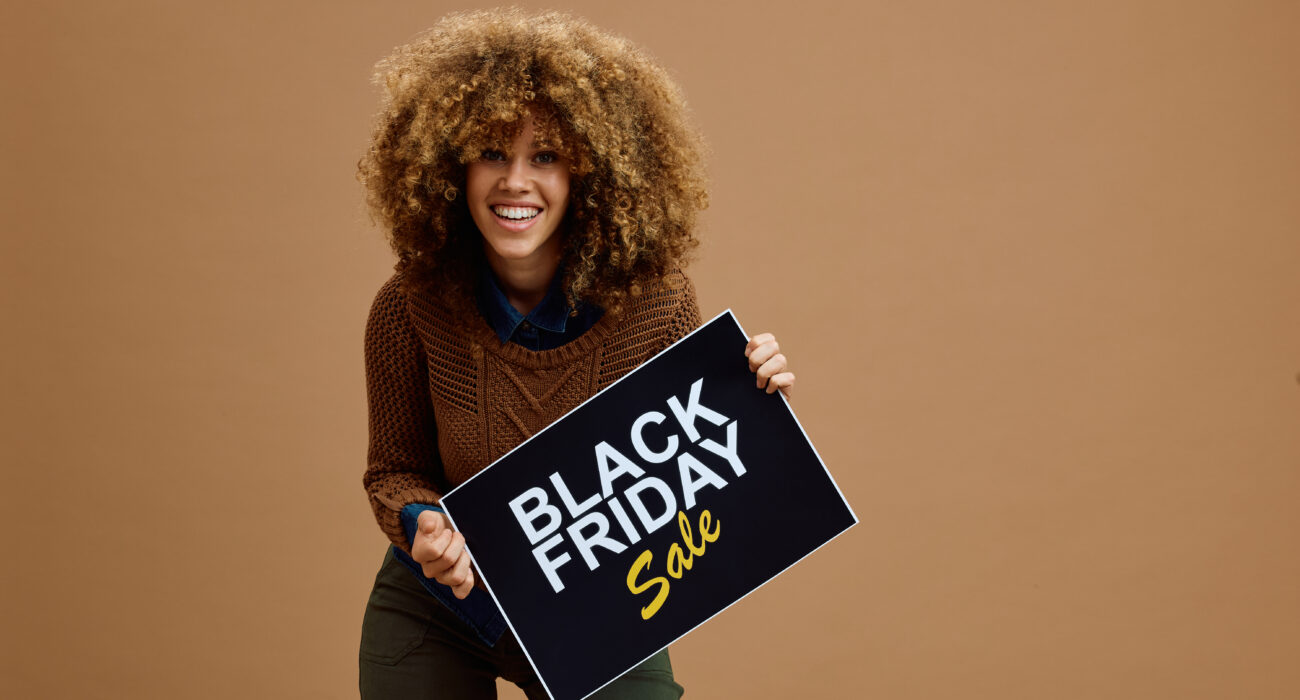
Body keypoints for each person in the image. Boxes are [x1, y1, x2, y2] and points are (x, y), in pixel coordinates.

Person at [356, 8, 793, 699]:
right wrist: (421, 523)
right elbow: (395, 470)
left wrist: (753, 396)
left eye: (547, 157)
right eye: (492, 153)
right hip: (438, 610)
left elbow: (694, 474)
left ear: (591, 172)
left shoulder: (657, 305)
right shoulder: (410, 308)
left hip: (597, 610)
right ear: (450, 168)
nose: (515, 182)